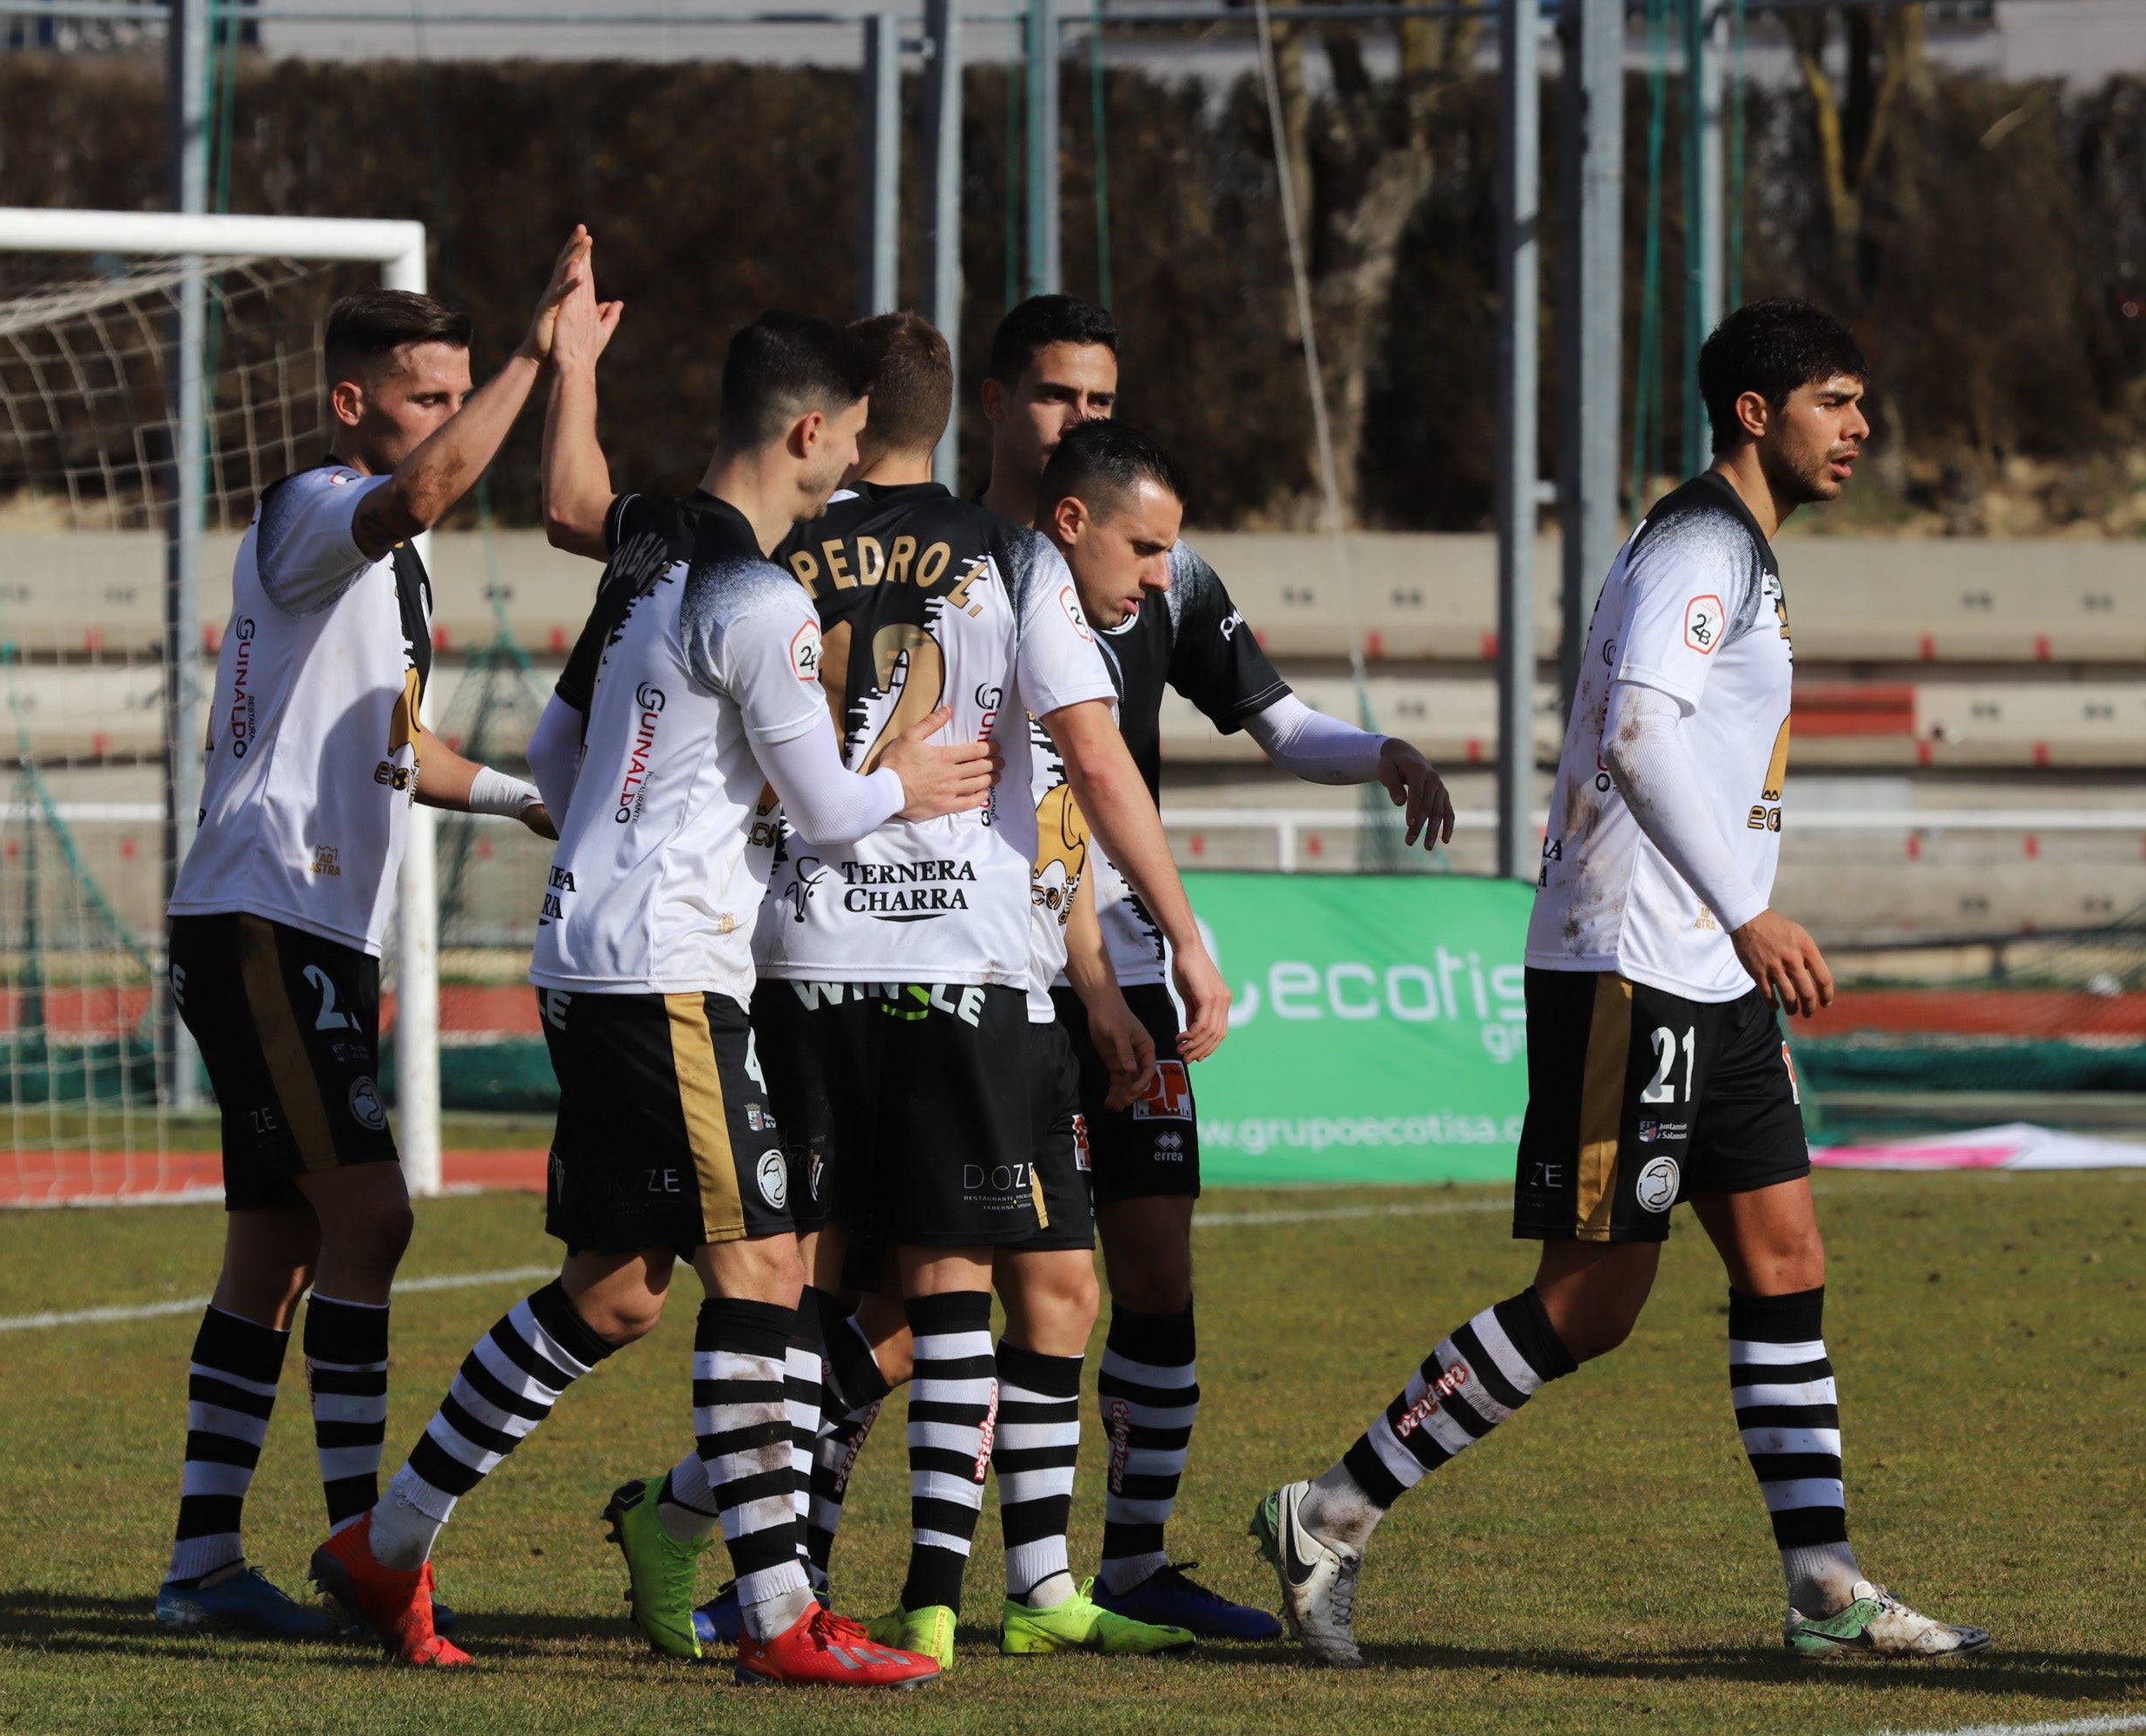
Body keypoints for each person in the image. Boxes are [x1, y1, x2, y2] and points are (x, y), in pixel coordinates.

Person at [1247, 298, 1991, 1667]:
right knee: (1592, 1297)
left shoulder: (1743, 552)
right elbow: (1639, 739)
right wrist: (1748, 912)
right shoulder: (1699, 542)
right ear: (1755, 415)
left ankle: (1823, 1591)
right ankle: (1331, 1510)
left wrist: (1735, 933)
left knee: (1785, 1258)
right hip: (1628, 966)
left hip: (1704, 972)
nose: (1861, 425)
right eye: (1836, 398)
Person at [345, 311, 995, 1687]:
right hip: (666, 972)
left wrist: (632, 825)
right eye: (844, 451)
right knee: (763, 1268)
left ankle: (387, 1540)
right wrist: (912, 784)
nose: (845, 477)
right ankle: (776, 1618)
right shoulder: (756, 599)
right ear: (812, 433)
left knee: (619, 1291)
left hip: (593, 957)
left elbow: (559, 739)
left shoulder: (650, 560)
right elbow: (826, 811)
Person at [572, 312, 1228, 1669]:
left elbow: (583, 535)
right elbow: (1091, 764)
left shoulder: (761, 539)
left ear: (842, 415)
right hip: (958, 965)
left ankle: (820, 1577)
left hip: (792, 959)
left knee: (821, 1295)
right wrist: (1180, 932)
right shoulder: (1012, 556)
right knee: (954, 1287)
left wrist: (566, 367)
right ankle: (933, 1583)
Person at [974, 297, 1458, 1640]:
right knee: (937, 1288)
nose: (1082, 421)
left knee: (1154, 1271)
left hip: (1121, 962)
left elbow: (1276, 717)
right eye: (1059, 397)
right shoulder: (954, 565)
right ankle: (798, 1545)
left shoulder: (1158, 567)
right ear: (997, 402)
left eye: (1101, 400)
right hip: (992, 958)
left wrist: (1381, 753)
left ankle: (1123, 1570)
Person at [153, 233, 584, 1638]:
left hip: (309, 929)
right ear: (354, 406)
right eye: (428, 395)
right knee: (374, 1215)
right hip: (262, 915)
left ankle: (204, 1570)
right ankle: (366, 1559)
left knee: (275, 1250)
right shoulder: (314, 510)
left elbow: (396, 746)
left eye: (463, 388)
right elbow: (430, 485)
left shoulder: (393, 575)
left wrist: (529, 800)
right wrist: (536, 356)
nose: (451, 417)